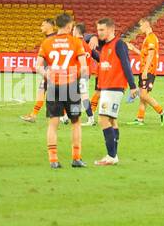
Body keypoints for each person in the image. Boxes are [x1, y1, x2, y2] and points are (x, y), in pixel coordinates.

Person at [36, 14, 88, 168]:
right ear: (68, 26)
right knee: (76, 122)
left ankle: (53, 160)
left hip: (53, 86)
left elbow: (38, 66)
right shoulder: (75, 42)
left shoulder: (47, 42)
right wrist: (78, 76)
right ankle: (76, 158)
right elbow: (84, 66)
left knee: (53, 124)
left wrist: (48, 74)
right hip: (71, 86)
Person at [92, 18, 138, 166]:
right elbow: (103, 61)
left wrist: (133, 86)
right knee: (112, 120)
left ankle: (111, 156)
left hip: (114, 87)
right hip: (107, 87)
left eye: (102, 30)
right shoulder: (105, 46)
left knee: (102, 119)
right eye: (98, 30)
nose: (99, 33)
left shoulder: (119, 44)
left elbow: (126, 64)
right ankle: (113, 155)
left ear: (111, 29)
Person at [20, 17, 56, 124]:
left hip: (51, 72)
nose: (41, 27)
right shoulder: (54, 38)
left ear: (49, 25)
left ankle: (34, 115)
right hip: (51, 72)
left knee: (53, 95)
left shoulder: (50, 40)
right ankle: (33, 115)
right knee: (45, 93)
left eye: (43, 25)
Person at [132, 19, 164, 126]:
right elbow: (145, 55)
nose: (140, 28)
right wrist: (133, 49)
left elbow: (151, 55)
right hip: (144, 69)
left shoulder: (151, 38)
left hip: (149, 70)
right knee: (143, 95)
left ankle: (162, 111)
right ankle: (140, 118)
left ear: (146, 24)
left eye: (141, 25)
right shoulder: (147, 38)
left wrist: (146, 70)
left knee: (143, 95)